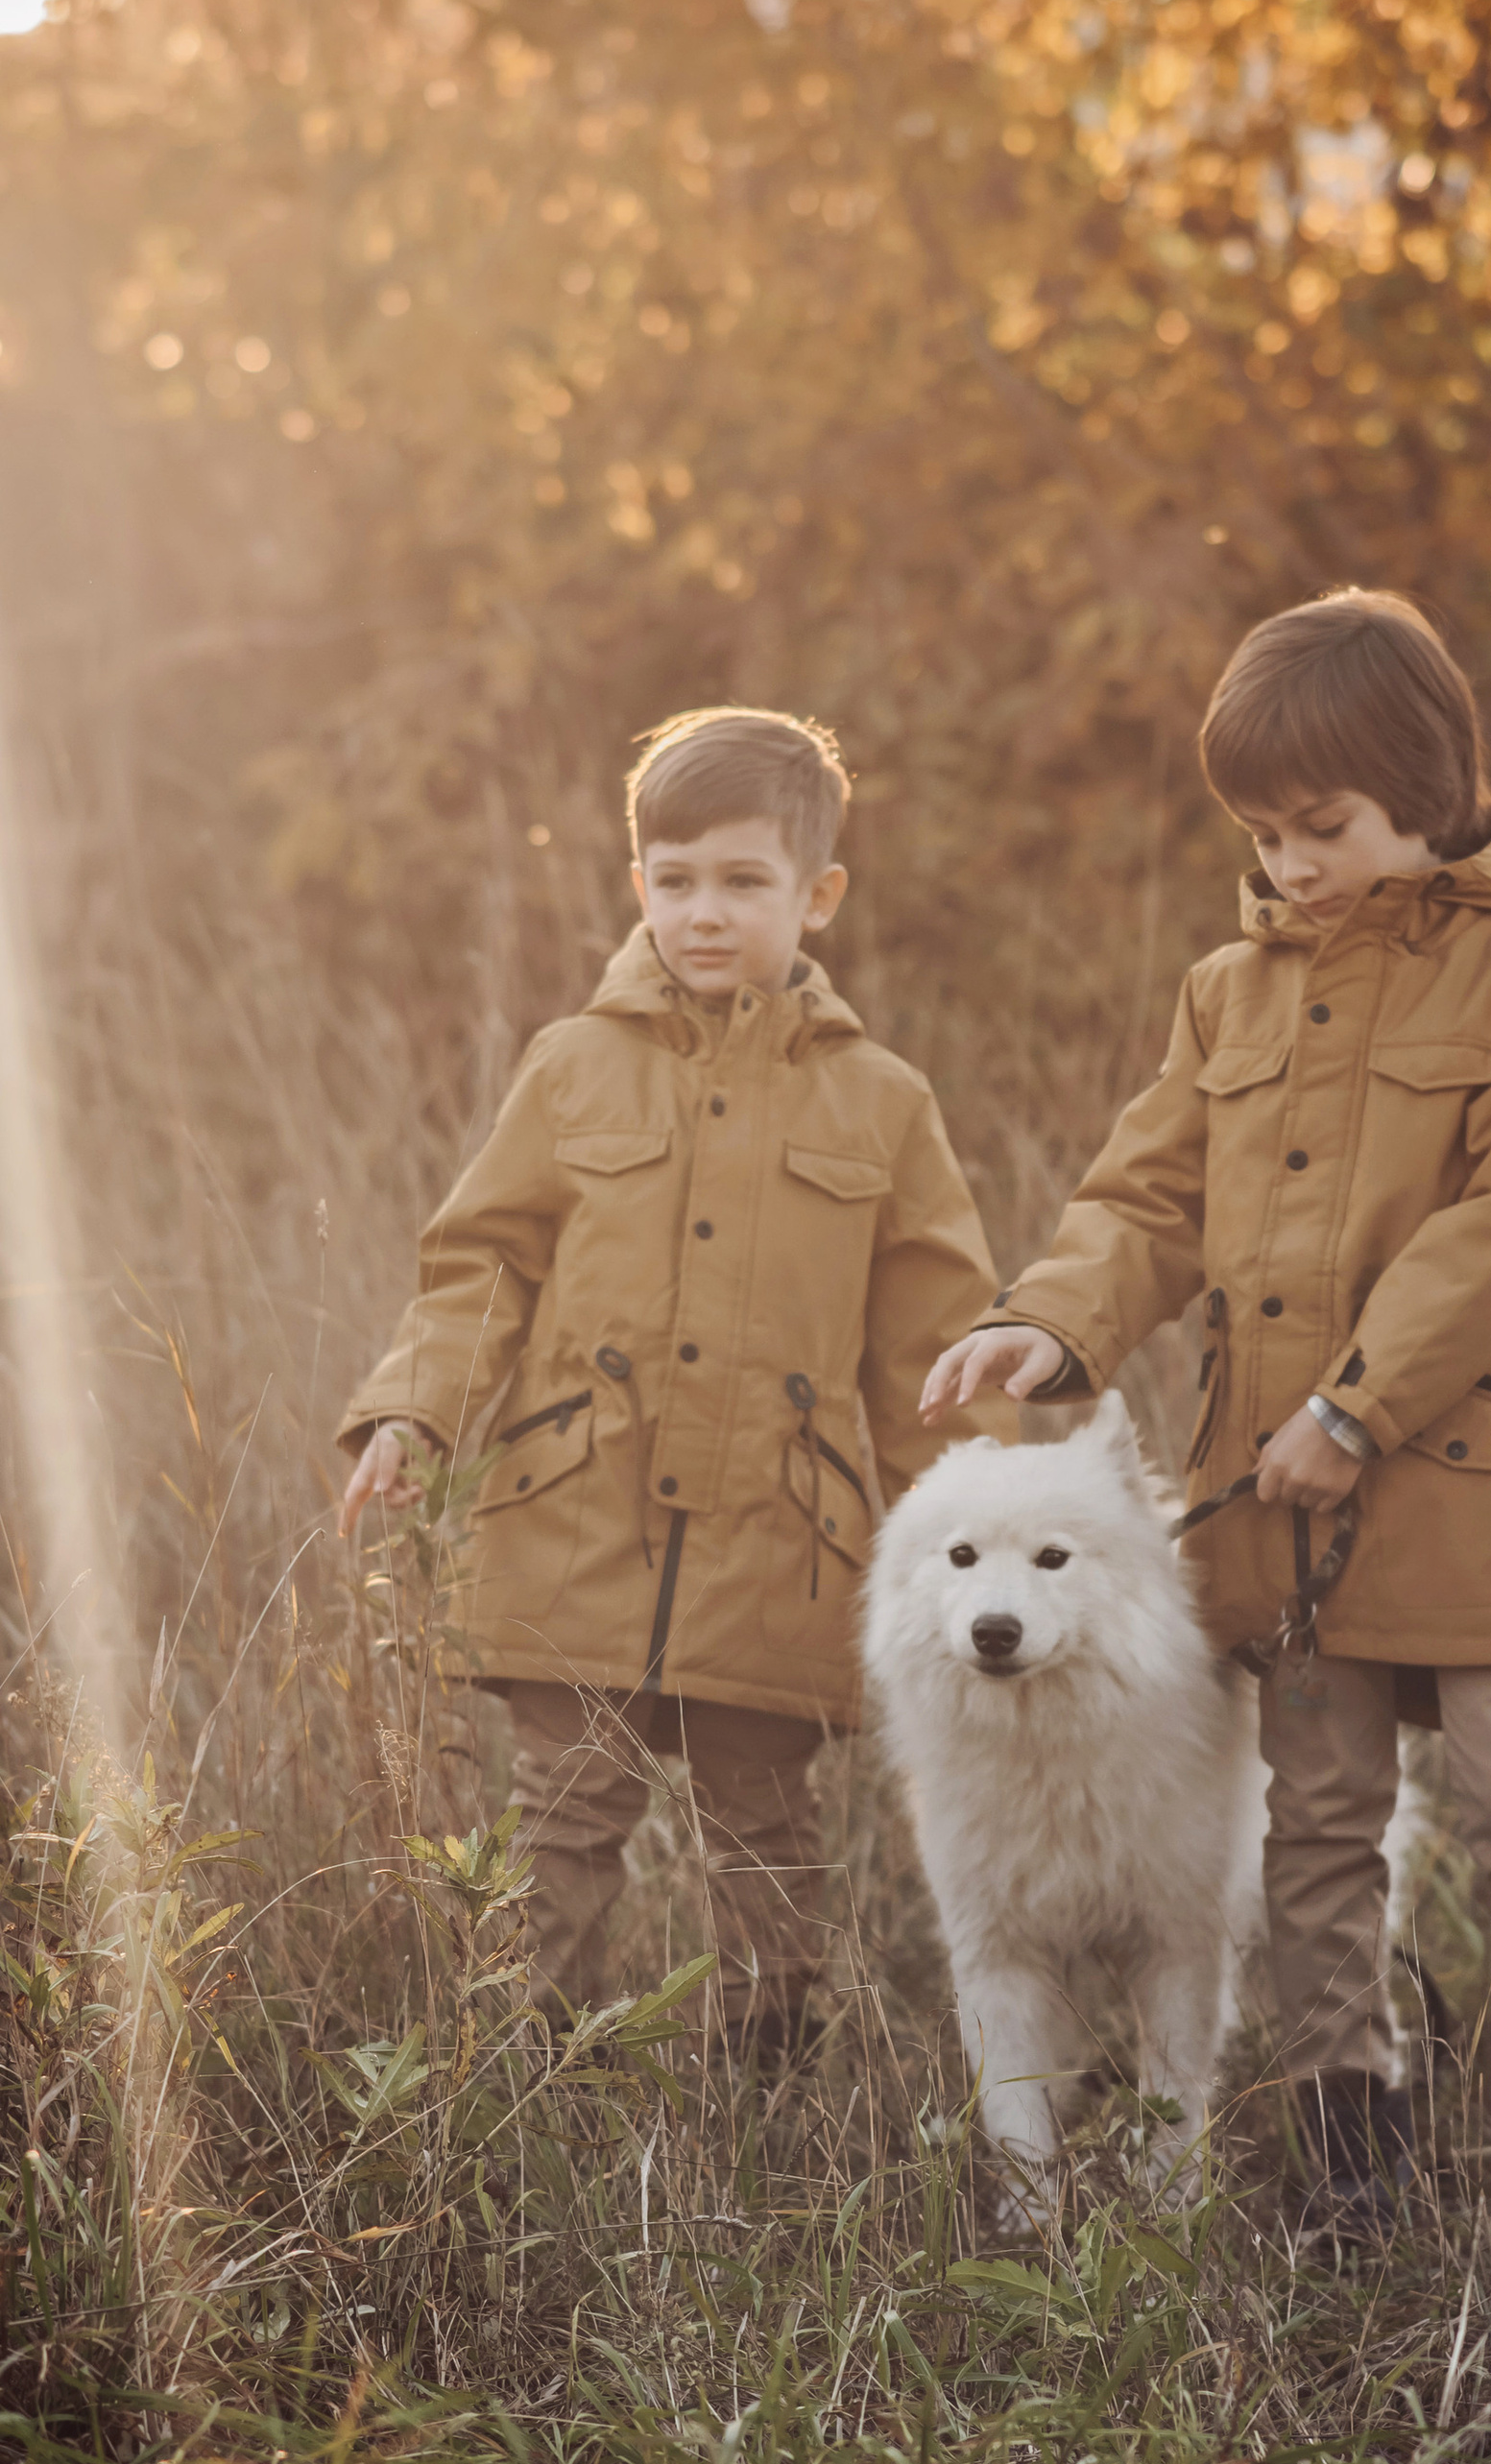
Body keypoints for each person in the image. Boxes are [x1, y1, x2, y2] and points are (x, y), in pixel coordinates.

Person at [921, 588, 1491, 2209]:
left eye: (1320, 826)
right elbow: (1146, 1200)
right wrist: (1050, 1328)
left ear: (1429, 787)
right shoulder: (1227, 995)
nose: (1289, 865)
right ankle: (1352, 2143)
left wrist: (1358, 1404)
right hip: (1286, 1512)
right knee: (1317, 1832)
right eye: (1263, 835)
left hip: (1470, 1488)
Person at [338, 705, 1002, 2063]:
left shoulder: (881, 1103)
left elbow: (931, 1349)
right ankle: (531, 2082)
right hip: (578, 1517)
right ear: (637, 885)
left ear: (816, 895)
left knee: (763, 1832)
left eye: (745, 882)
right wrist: (413, 1406)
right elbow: (485, 1266)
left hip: (780, 1538)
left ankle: (760, 2095)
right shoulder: (572, 1065)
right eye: (678, 879)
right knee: (563, 1816)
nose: (707, 913)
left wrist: (973, 1550)